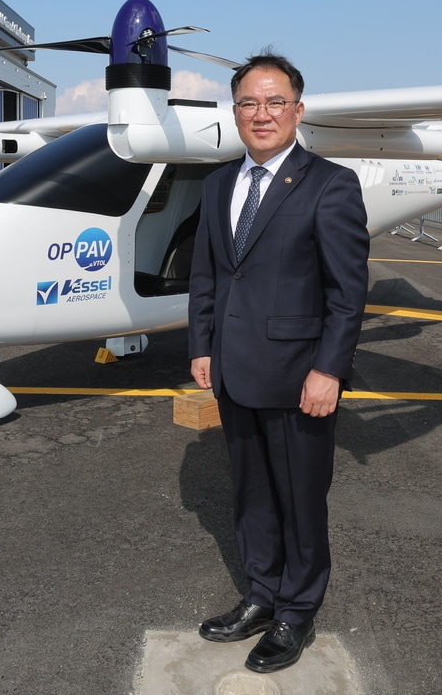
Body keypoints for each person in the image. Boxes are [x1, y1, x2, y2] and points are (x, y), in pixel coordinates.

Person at [188, 51, 369, 674]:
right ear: (234, 110)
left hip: (300, 377)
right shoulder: (216, 185)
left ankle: (296, 611)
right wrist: (202, 346)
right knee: (251, 496)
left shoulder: (330, 183)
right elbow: (207, 275)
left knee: (300, 500)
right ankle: (260, 596)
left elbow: (347, 292)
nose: (261, 114)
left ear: (297, 109)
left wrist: (331, 370)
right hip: (235, 371)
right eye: (248, 103)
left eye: (274, 102)